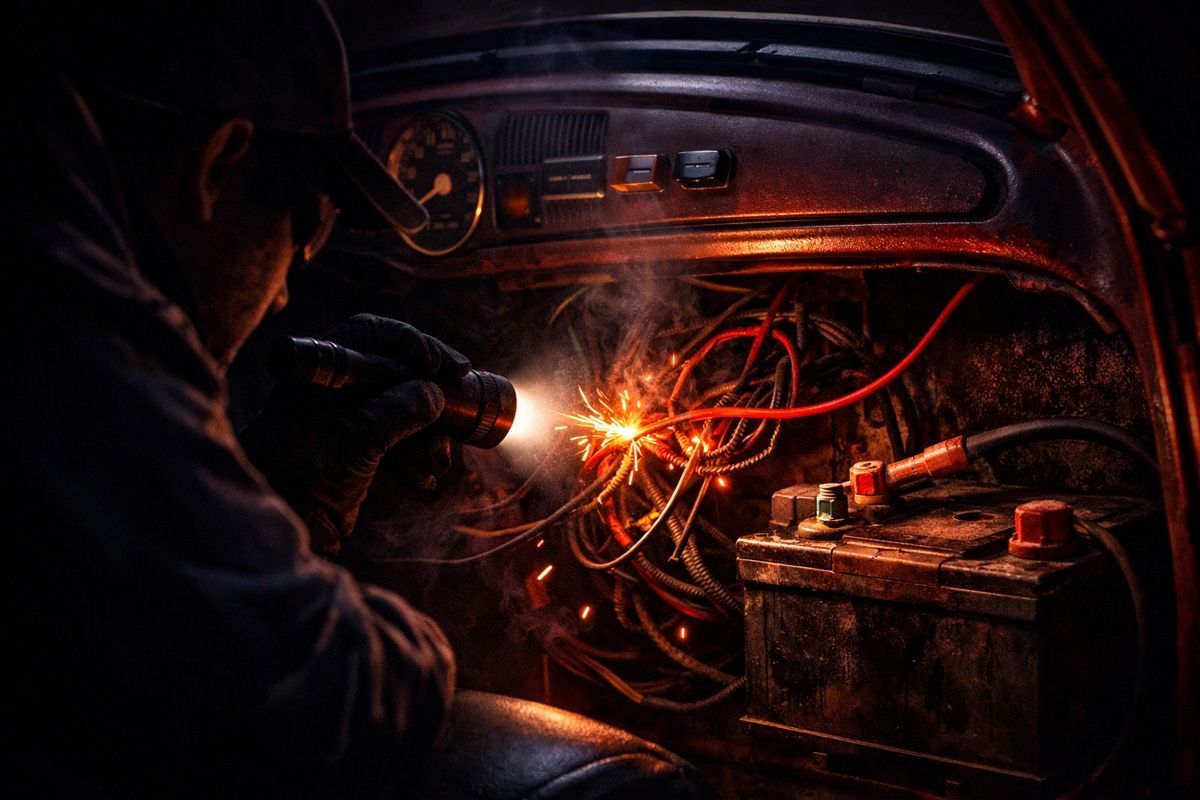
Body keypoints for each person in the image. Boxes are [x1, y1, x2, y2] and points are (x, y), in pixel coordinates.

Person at [5, 1, 718, 797]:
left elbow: (133, 592)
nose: (285, 294)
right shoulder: (62, 306)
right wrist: (412, 642)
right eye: (307, 230)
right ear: (217, 166)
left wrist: (289, 495)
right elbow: (334, 688)